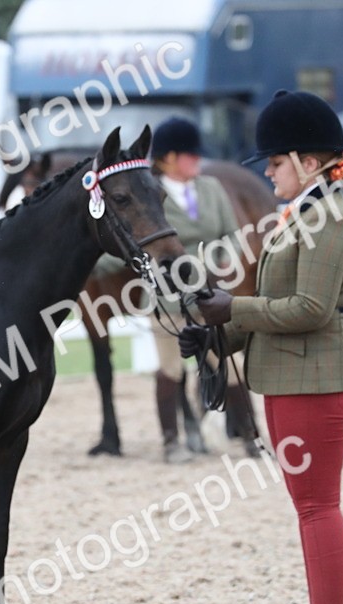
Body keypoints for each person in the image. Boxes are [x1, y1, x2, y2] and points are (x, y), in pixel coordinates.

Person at [186, 90, 343, 604]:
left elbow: (309, 310)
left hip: (315, 379)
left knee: (318, 507)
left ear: (307, 161)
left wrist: (232, 310)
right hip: (296, 377)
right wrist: (217, 338)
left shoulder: (329, 221)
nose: (268, 174)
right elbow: (276, 304)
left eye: (274, 163)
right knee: (311, 507)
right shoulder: (303, 216)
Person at [115, 116, 242, 463]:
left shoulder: (211, 188)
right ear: (170, 157)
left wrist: (222, 257)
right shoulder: (149, 191)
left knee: (232, 363)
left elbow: (231, 234)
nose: (198, 161)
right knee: (171, 369)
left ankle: (250, 437)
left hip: (210, 295)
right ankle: (172, 442)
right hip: (166, 296)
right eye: (191, 155)